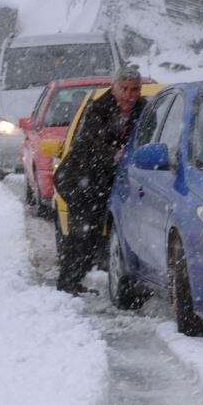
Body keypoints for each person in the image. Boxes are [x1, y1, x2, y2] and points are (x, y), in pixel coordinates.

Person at [53, 66, 147, 295]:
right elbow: (90, 145)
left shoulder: (143, 109)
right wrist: (116, 154)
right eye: (123, 89)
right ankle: (68, 283)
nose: (128, 95)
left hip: (108, 181)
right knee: (82, 233)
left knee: (95, 235)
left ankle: (78, 278)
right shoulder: (98, 108)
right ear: (114, 88)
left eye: (134, 90)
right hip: (80, 179)